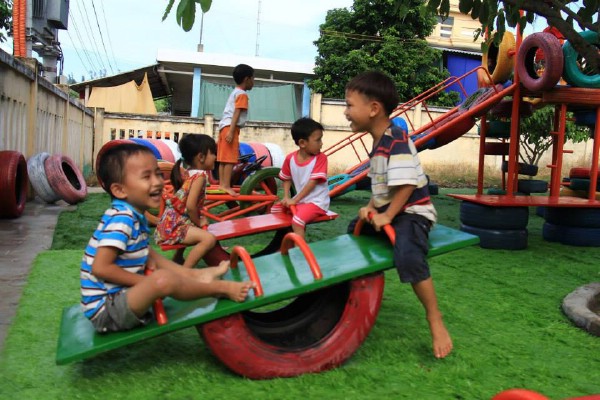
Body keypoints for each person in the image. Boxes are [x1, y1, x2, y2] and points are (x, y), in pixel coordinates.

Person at [81, 142, 254, 333]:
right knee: (163, 279)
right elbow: (101, 267)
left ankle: (198, 275)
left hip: (121, 298)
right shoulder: (121, 219)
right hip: (108, 310)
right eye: (146, 177)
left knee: (151, 257)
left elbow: (149, 258)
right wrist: (146, 284)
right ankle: (220, 289)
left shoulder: (131, 214)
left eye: (157, 173)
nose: (157, 182)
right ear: (120, 190)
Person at [344, 71, 453, 359]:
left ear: (373, 108)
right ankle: (363, 289)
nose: (346, 113)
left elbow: (406, 185)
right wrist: (371, 206)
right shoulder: (378, 142)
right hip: (391, 210)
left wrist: (387, 216)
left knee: (408, 253)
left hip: (414, 211)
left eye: (349, 105)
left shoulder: (396, 137)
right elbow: (383, 185)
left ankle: (434, 317)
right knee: (353, 230)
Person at [155, 134, 218, 269]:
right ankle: (185, 273)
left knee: (196, 228)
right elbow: (190, 206)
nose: (216, 157)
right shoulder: (200, 176)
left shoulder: (190, 172)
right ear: (201, 157)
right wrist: (198, 222)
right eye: (213, 153)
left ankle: (178, 259)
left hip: (170, 223)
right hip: (174, 226)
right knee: (208, 239)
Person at [273, 117, 330, 239]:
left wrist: (295, 199)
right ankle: (282, 241)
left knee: (298, 221)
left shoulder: (321, 158)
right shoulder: (290, 159)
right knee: (275, 210)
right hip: (300, 201)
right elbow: (286, 178)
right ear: (302, 143)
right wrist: (287, 197)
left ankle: (300, 252)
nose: (321, 143)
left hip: (316, 202)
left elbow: (312, 182)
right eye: (318, 140)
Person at [217, 63, 255, 196]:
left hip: (224, 127)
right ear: (246, 79)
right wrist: (232, 131)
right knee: (229, 159)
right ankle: (226, 186)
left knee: (222, 158)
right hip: (230, 127)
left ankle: (222, 184)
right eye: (253, 78)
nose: (253, 82)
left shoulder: (235, 92)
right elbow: (237, 113)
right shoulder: (242, 94)